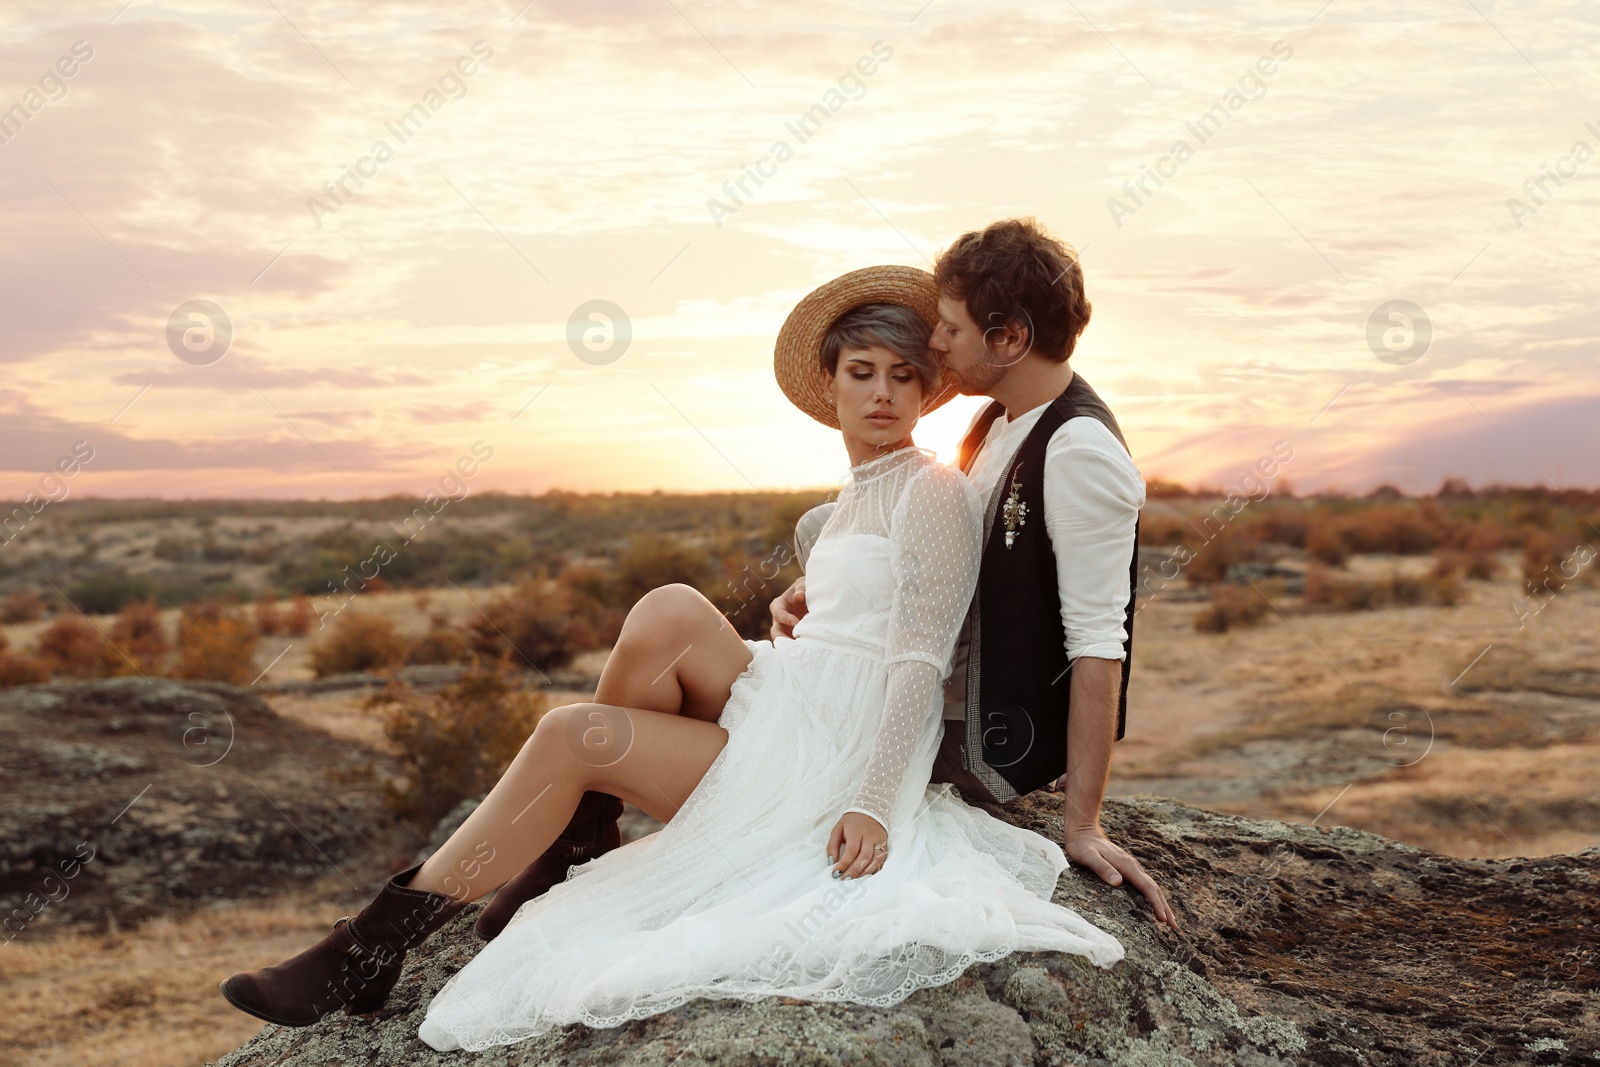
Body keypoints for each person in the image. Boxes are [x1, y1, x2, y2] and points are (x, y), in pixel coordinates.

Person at [219, 264, 1127, 1053]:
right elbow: (849, 608)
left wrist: (873, 801)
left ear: (929, 392)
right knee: (666, 608)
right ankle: (573, 834)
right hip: (796, 698)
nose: (883, 393)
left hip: (835, 750)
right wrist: (795, 606)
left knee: (575, 732)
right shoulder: (840, 507)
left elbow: (916, 665)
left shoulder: (929, 491)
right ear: (830, 381)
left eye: (904, 376)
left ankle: (374, 944)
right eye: (862, 372)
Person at [771, 219, 1175, 930]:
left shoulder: (1079, 447)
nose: (935, 342)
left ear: (1010, 339)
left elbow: (1098, 643)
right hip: (913, 681)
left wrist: (1082, 824)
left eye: (951, 328)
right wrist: (828, 599)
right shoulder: (993, 423)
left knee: (722, 687)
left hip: (975, 739)